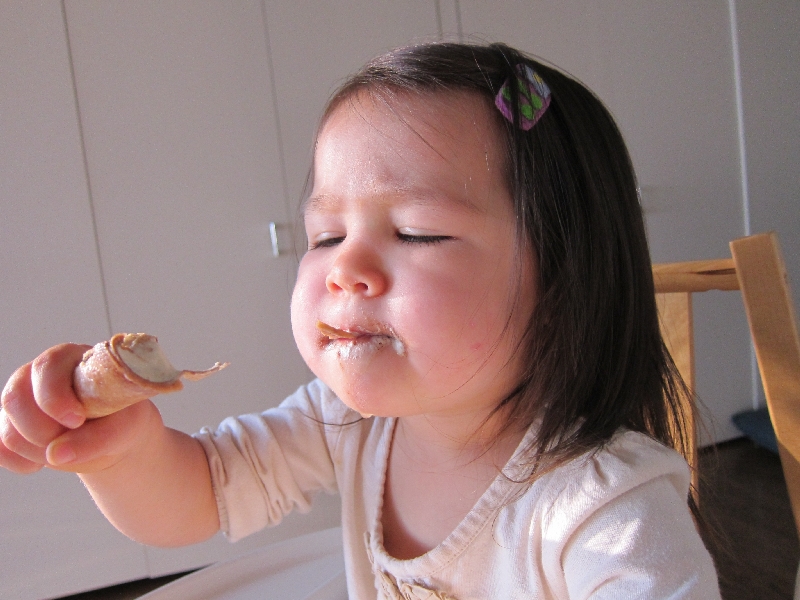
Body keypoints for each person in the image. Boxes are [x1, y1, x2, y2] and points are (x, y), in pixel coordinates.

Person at [0, 42, 721, 598]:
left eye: (416, 233)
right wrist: (121, 452)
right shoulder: (344, 421)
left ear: (563, 281)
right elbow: (198, 496)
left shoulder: (603, 505)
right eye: (325, 236)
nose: (345, 268)